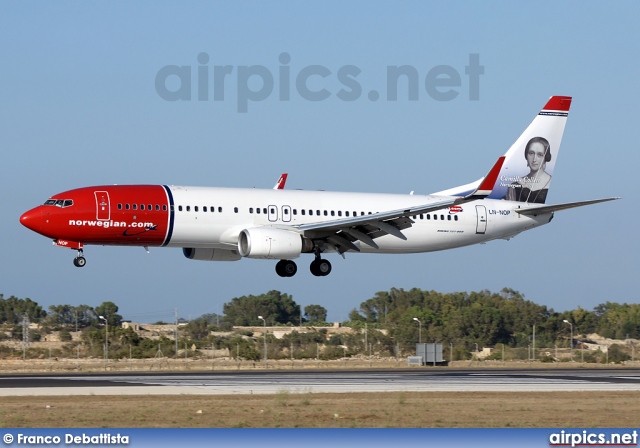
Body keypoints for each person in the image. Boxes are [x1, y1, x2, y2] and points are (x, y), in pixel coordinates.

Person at [503, 136, 552, 203]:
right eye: (531, 153)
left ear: (545, 158)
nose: (534, 159)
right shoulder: (515, 185)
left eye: (539, 155)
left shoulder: (551, 183)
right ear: (526, 155)